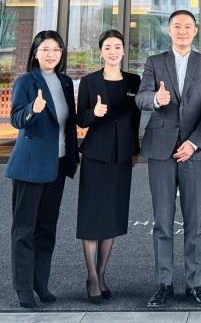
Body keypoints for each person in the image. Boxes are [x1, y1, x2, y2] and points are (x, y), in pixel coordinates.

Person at [135, 9, 201, 308]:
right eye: (177, 26)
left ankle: (195, 284)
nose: (182, 31)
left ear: (195, 31)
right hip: (161, 149)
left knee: (195, 220)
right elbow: (141, 97)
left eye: (187, 26)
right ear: (168, 30)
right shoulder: (154, 62)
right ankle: (164, 283)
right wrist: (156, 99)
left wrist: (194, 143)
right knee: (163, 220)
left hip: (194, 151)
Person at [4, 30, 79, 309]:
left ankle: (41, 283)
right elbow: (16, 119)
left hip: (57, 165)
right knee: (25, 229)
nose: (51, 54)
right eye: (46, 49)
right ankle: (23, 287)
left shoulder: (65, 82)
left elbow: (67, 123)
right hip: (30, 166)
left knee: (47, 228)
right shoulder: (26, 81)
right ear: (35, 53)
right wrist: (32, 109)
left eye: (56, 50)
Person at [75, 29, 141, 303]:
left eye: (117, 47)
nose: (113, 51)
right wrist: (94, 113)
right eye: (107, 47)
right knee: (92, 215)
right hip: (95, 155)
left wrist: (135, 151)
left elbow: (135, 119)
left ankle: (102, 273)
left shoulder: (134, 81)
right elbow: (80, 119)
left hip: (122, 156)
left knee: (113, 215)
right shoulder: (89, 81)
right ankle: (91, 277)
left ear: (124, 50)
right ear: (101, 52)